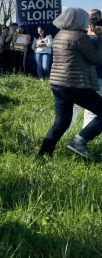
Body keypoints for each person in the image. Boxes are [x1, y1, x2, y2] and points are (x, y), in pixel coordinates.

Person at [37, 8, 102, 158]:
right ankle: (80, 141)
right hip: (75, 84)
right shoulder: (80, 36)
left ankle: (43, 155)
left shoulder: (60, 35)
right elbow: (96, 59)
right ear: (80, 20)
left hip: (58, 84)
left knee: (61, 123)